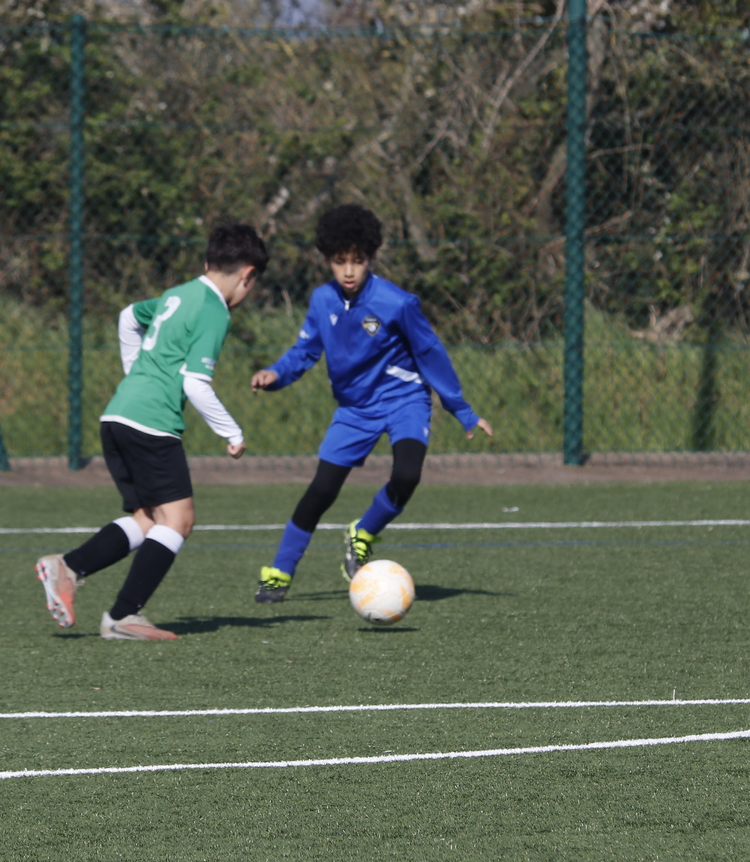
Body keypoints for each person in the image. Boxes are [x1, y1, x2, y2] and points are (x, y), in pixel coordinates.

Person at [34, 222, 268, 640]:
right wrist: (231, 433)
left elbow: (128, 317)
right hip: (151, 423)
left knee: (149, 518)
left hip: (119, 414)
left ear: (207, 263)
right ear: (248, 274)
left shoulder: (178, 294)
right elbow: (196, 384)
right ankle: (123, 615)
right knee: (179, 520)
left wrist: (136, 374)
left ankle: (67, 568)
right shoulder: (215, 310)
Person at [250, 204, 493, 601]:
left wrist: (461, 409)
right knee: (321, 490)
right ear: (327, 260)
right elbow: (304, 351)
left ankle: (363, 532)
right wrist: (275, 374)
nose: (349, 271)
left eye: (358, 261)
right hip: (355, 409)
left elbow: (430, 353)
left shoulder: (397, 303)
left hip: (404, 400)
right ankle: (279, 571)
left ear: (371, 257)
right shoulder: (322, 301)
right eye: (339, 261)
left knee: (407, 475)